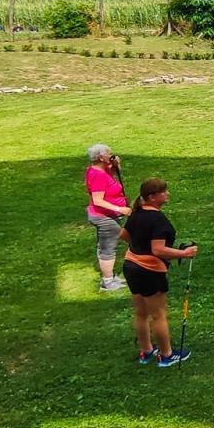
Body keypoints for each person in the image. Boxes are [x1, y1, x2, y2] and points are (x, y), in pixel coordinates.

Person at [119, 178, 197, 367]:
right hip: (149, 271)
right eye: (164, 192)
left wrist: (138, 246)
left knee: (140, 313)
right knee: (159, 315)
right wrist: (184, 254)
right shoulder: (157, 219)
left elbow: (124, 235)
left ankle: (146, 351)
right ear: (152, 197)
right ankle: (166, 354)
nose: (167, 194)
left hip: (131, 265)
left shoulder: (137, 212)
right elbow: (158, 250)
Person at [85, 144, 131, 292]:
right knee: (108, 248)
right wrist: (120, 209)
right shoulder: (98, 175)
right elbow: (98, 200)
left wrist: (116, 164)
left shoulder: (97, 169)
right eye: (108, 154)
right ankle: (107, 282)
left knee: (105, 245)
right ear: (100, 157)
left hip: (105, 215)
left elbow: (115, 172)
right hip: (104, 217)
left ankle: (109, 277)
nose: (111, 155)